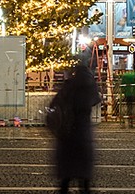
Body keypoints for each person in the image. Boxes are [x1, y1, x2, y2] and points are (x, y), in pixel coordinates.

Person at [49, 60, 100, 194]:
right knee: (84, 181)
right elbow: (96, 100)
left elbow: (53, 106)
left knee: (66, 179)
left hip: (67, 136)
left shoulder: (68, 87)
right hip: (83, 137)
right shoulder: (89, 88)